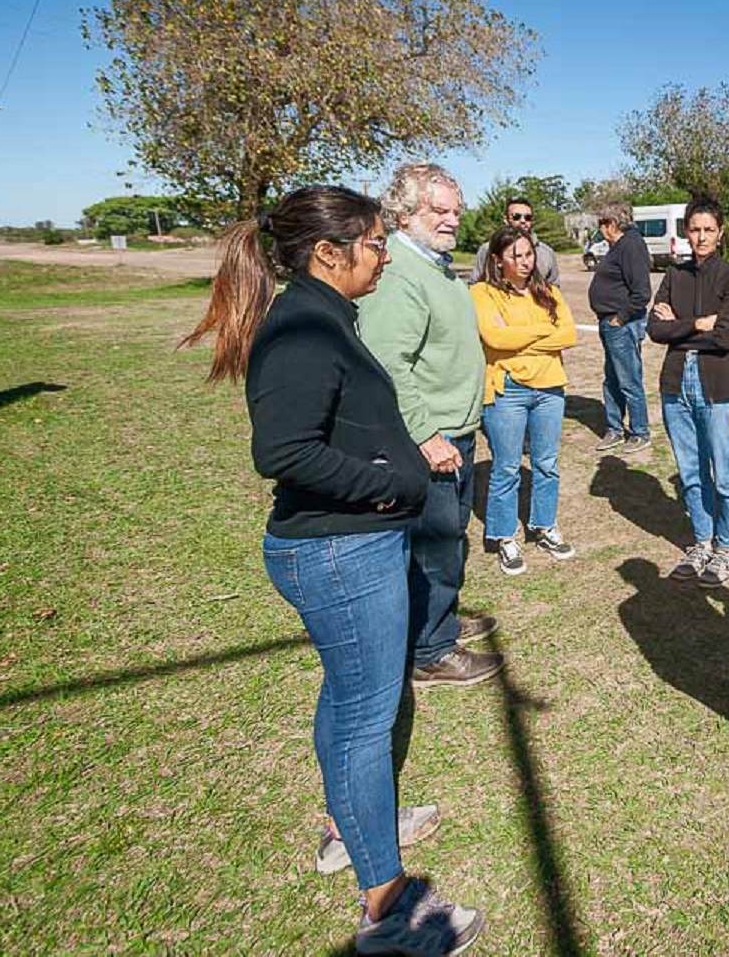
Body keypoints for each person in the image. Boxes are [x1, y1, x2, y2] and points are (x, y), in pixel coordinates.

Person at [180, 185, 483, 954]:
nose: (384, 255)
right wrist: (395, 483)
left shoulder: (328, 315)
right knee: (363, 721)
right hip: (340, 554)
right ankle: (388, 906)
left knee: (350, 702)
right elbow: (281, 452)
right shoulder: (304, 328)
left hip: (352, 547)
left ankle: (350, 825)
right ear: (328, 252)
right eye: (376, 243)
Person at [358, 163, 501, 691]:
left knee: (447, 541)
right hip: (430, 439)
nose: (451, 220)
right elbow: (389, 366)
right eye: (437, 210)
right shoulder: (399, 274)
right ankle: (430, 652)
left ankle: (437, 621)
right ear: (403, 212)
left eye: (455, 211)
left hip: (456, 432)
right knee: (434, 543)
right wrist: (426, 436)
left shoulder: (437, 266)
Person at [648, 200, 729, 587]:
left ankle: (728, 546)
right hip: (676, 384)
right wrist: (697, 323)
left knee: (725, 471)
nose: (701, 237)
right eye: (695, 229)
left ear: (720, 232)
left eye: (709, 229)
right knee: (691, 472)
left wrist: (680, 327)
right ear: (686, 232)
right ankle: (702, 541)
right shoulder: (675, 275)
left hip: (720, 383)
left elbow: (725, 336)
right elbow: (655, 330)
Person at [471, 224, 580, 575]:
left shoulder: (549, 292)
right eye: (515, 255)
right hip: (508, 390)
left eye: (528, 254)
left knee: (547, 463)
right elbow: (493, 337)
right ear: (498, 259)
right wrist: (541, 334)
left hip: (550, 389)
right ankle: (504, 537)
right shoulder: (482, 293)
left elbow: (569, 334)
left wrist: (519, 340)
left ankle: (543, 526)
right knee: (506, 467)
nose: (524, 261)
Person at [587, 202, 653, 455]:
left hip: (621, 324)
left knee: (628, 379)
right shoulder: (620, 246)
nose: (600, 229)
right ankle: (614, 428)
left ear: (612, 224)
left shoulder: (631, 245)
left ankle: (640, 431)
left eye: (601, 224)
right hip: (610, 322)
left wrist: (621, 318)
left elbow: (641, 292)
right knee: (612, 379)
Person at [469, 196, 558, 289]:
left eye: (528, 217)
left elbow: (554, 287)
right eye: (517, 217)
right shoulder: (488, 249)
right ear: (506, 220)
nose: (523, 221)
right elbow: (475, 282)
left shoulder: (546, 252)